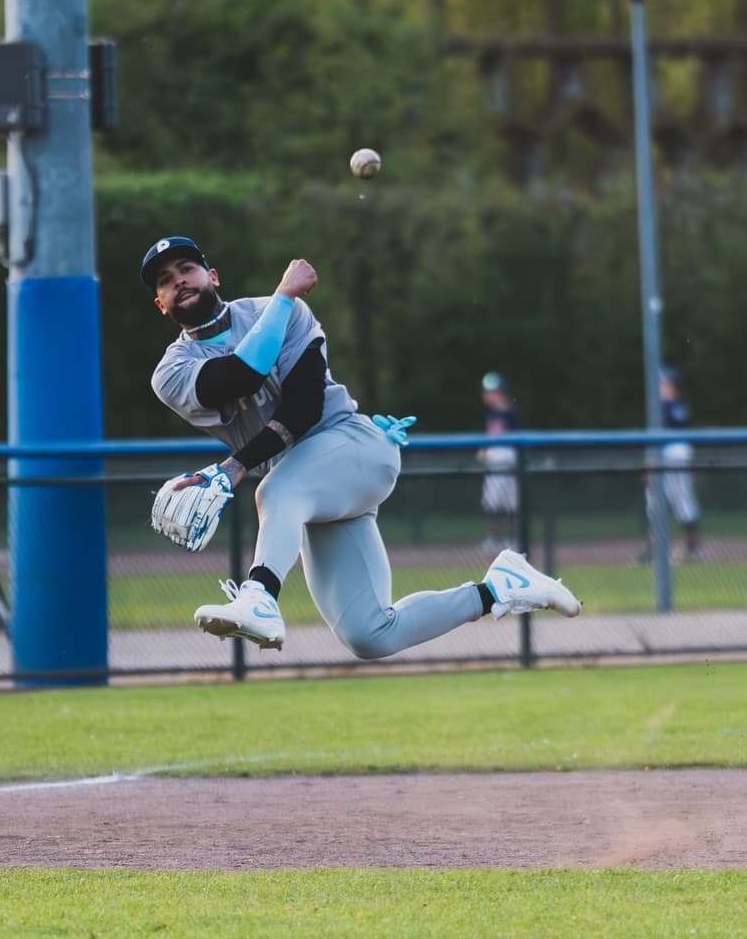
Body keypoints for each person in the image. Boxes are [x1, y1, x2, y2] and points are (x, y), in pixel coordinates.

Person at [141, 236, 580, 656]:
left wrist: (234, 467)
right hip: (307, 488)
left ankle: (259, 597)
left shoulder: (281, 311)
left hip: (353, 446)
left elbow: (304, 408)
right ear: (160, 305)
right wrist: (284, 295)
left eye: (187, 268)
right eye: (165, 280)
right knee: (369, 634)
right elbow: (241, 374)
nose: (178, 280)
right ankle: (500, 587)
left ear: (212, 276)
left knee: (274, 491)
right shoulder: (173, 370)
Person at [644, 366, 701, 562]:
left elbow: (660, 439)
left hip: (670, 458)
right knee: (679, 503)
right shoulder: (679, 407)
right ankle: (688, 548)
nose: (660, 387)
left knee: (663, 503)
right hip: (679, 456)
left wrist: (650, 466)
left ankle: (679, 549)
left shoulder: (665, 407)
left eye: (663, 383)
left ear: (671, 385)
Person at [478, 372, 519, 557]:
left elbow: (515, 441)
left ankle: (514, 539)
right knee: (493, 502)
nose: (486, 395)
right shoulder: (493, 414)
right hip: (494, 462)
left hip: (507, 461)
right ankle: (495, 539)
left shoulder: (510, 414)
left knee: (511, 502)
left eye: (491, 391)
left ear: (500, 392)